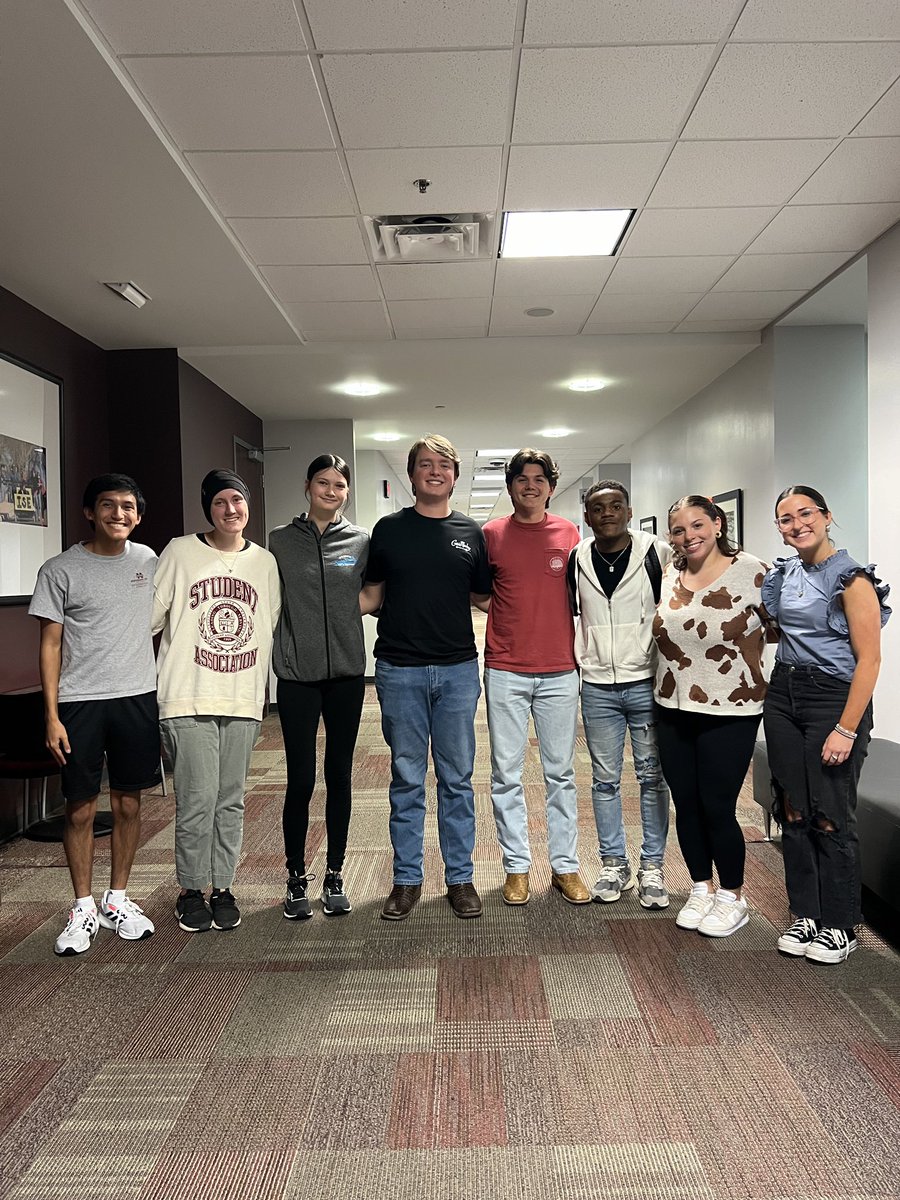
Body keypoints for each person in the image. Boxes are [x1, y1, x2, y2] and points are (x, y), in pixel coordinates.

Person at [361, 434, 491, 921]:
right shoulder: (389, 530)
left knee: (457, 779)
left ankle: (460, 879)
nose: (434, 471)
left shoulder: (470, 532)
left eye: (444, 465)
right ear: (412, 474)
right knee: (407, 779)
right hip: (399, 671)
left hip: (457, 670)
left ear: (454, 476)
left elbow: (485, 598)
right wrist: (316, 611)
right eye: (425, 464)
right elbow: (371, 596)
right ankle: (406, 880)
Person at [29, 473, 159, 955]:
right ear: (90, 512)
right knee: (81, 807)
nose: (118, 514)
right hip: (80, 701)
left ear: (138, 516)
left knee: (128, 804)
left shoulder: (150, 561)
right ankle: (82, 905)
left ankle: (117, 898)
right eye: (107, 505)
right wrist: (51, 715)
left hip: (137, 696)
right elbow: (49, 644)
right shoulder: (59, 569)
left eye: (128, 506)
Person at [762, 486, 890, 964]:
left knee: (831, 812)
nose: (797, 524)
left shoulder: (851, 579)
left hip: (832, 699)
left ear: (826, 516)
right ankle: (807, 913)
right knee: (793, 809)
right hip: (784, 694)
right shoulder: (785, 573)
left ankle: (840, 923)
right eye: (786, 519)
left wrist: (847, 728)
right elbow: (779, 631)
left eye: (806, 514)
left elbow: (870, 661)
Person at [152, 469, 280, 933]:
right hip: (188, 695)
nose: (231, 509)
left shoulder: (264, 562)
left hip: (242, 697)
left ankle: (222, 886)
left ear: (248, 506)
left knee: (230, 800)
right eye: (221, 501)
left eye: (238, 500)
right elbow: (148, 618)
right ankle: (190, 889)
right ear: (208, 508)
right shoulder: (179, 551)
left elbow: (267, 623)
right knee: (197, 800)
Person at [653, 495, 769, 937]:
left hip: (731, 709)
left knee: (717, 805)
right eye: (679, 530)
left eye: (698, 525)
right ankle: (701, 887)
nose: (689, 536)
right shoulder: (671, 572)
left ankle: (732, 895)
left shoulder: (753, 570)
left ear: (718, 524)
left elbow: (779, 628)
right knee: (685, 803)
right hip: (672, 706)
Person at [480, 449, 587, 907]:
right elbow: (479, 593)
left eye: (539, 478)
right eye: (521, 478)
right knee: (506, 774)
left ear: (550, 487)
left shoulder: (568, 533)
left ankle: (565, 867)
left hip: (560, 669)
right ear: (510, 486)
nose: (530, 485)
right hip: (505, 668)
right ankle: (516, 868)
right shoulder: (491, 534)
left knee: (560, 773)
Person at [269, 454, 369, 919]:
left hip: (347, 675)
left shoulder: (360, 541)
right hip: (297, 678)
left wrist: (343, 617)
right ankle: (295, 877)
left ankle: (334, 874)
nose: (331, 491)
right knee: (301, 779)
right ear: (308, 486)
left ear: (346, 491)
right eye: (323, 482)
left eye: (339, 485)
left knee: (340, 776)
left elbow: (373, 594)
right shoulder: (280, 541)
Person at [570, 480, 672, 908]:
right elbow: (573, 613)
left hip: (645, 681)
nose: (607, 513)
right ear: (587, 517)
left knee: (652, 777)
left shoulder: (656, 553)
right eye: (598, 508)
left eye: (616, 506)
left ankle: (653, 866)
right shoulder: (577, 557)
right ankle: (614, 864)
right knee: (604, 780)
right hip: (597, 686)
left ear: (629, 512)